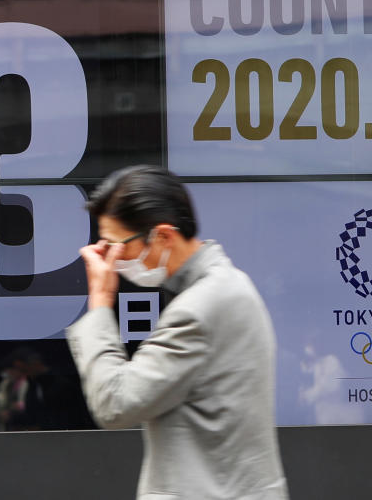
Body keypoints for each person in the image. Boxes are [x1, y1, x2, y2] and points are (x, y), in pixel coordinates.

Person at [66, 166, 288, 499]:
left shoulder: (199, 308)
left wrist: (100, 301)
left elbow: (115, 403)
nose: (110, 259)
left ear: (164, 236)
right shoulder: (226, 286)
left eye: (115, 246)